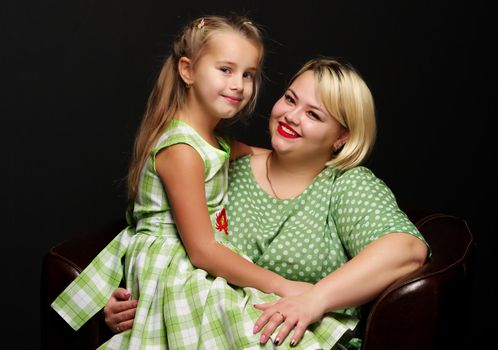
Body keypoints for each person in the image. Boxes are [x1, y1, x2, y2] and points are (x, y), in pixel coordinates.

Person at [103, 58, 430, 349]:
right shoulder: (223, 164)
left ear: (341, 137)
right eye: (290, 99)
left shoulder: (346, 185)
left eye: (313, 115)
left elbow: (406, 250)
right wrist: (132, 298)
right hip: (206, 329)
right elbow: (162, 235)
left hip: (292, 337)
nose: (291, 116)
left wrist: (314, 299)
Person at [51, 14, 314, 349]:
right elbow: (203, 251)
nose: (239, 84)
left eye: (248, 74)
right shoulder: (181, 149)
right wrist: (282, 284)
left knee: (273, 316)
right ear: (187, 70)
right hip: (174, 265)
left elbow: (259, 154)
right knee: (249, 323)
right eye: (226, 69)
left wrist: (311, 157)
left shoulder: (212, 140)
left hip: (198, 255)